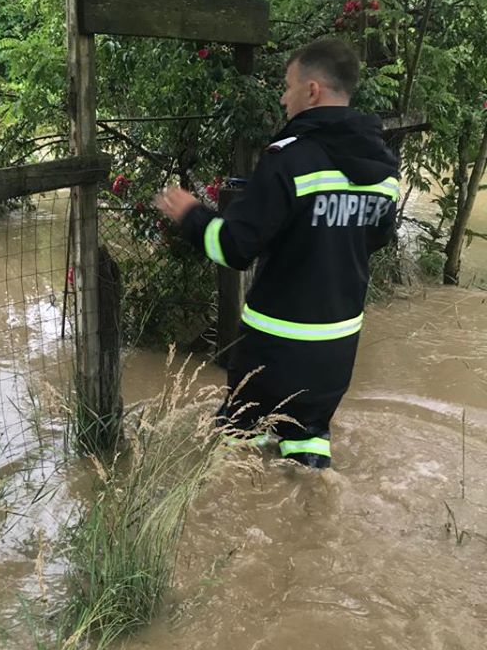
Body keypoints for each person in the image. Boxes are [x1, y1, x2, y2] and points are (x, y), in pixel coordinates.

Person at [157, 38, 399, 469]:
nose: (283, 98)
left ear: (312, 91)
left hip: (274, 346)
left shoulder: (289, 159)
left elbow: (233, 248)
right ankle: (312, 516)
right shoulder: (384, 167)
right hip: (338, 349)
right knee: (308, 441)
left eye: (288, 87)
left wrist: (191, 215)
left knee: (235, 440)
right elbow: (374, 239)